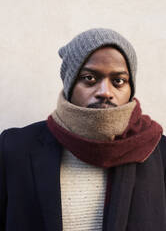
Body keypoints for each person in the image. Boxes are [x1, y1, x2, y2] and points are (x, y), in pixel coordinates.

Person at [0, 28, 166, 231]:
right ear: (70, 84)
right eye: (89, 78)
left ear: (130, 88)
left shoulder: (158, 151)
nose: (105, 92)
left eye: (118, 81)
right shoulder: (15, 148)